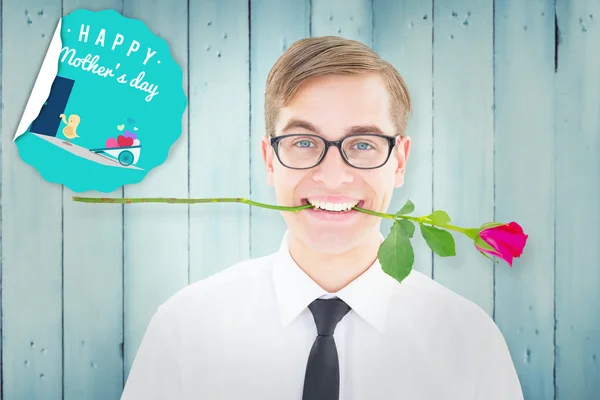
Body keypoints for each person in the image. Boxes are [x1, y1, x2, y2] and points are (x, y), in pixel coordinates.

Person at [120, 36, 524, 400]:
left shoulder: (470, 343)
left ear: (399, 161)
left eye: (363, 144)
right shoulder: (185, 329)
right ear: (269, 160)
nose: (332, 176)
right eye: (304, 142)